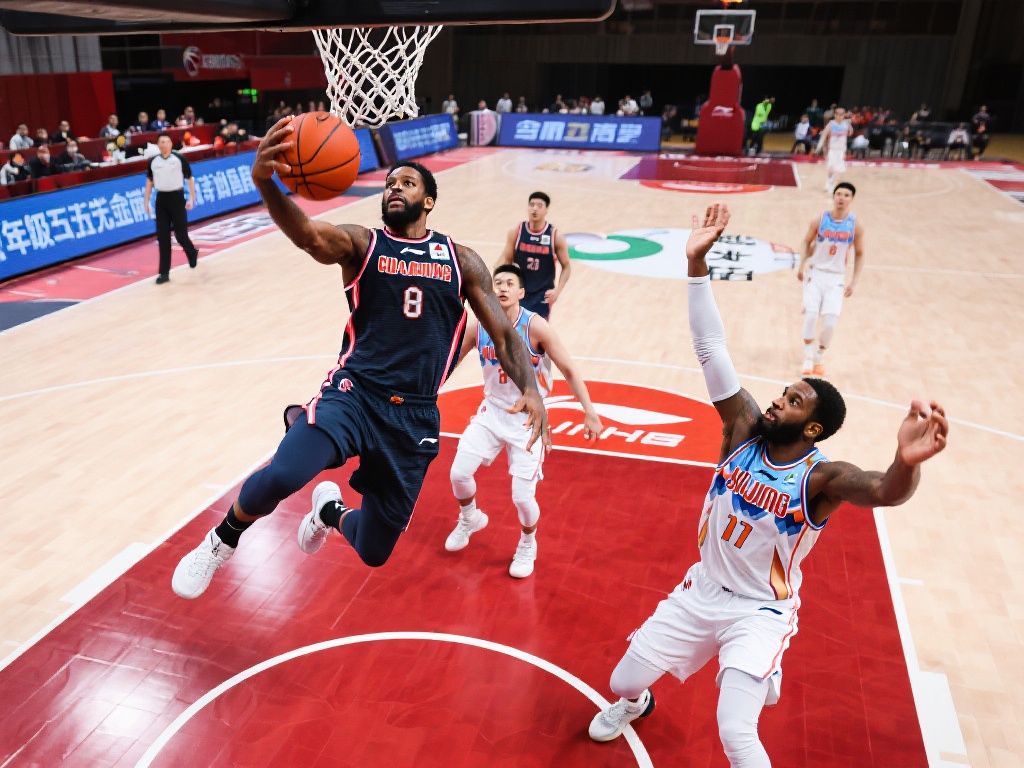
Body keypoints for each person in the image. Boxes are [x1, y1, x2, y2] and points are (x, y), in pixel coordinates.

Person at [588, 203, 948, 767]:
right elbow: (711, 347)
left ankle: (759, 665)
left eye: (794, 401)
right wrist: (696, 265)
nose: (778, 401)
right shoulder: (742, 428)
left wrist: (906, 461)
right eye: (783, 392)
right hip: (701, 590)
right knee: (622, 680)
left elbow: (885, 490)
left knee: (735, 731)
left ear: (812, 428)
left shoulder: (822, 477)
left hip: (760, 610)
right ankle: (637, 704)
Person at [171, 117, 550, 600]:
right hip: (355, 394)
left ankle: (328, 511)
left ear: (428, 201)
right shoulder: (363, 245)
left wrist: (532, 389)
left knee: (373, 548)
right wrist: (265, 183)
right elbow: (309, 235)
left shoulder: (462, 260)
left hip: (413, 415)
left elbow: (505, 335)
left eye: (407, 183)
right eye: (390, 183)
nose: (395, 188)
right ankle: (221, 540)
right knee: (285, 474)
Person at [445, 263, 601, 578]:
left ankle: (528, 544)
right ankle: (470, 517)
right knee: (458, 474)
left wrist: (590, 411)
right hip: (492, 412)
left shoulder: (535, 326)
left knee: (522, 497)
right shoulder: (479, 326)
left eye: (509, 283)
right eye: (497, 283)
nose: (502, 288)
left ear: (521, 292)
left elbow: (569, 369)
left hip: (528, 420)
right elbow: (449, 363)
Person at [797, 182, 864, 376]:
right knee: (811, 316)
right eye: (839, 194)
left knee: (830, 323)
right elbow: (806, 242)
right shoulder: (820, 219)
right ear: (834, 197)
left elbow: (860, 253)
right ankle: (808, 356)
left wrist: (854, 281)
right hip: (816, 273)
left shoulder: (855, 225)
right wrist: (802, 264)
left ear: (852, 199)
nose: (841, 197)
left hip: (836, 278)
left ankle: (820, 355)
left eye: (846, 195)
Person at [495, 192, 571, 321]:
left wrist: (557, 291)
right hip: (518, 292)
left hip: (542, 295)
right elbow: (505, 259)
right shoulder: (517, 231)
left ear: (546, 209)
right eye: (532, 205)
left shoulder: (555, 236)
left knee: (537, 331)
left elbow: (567, 267)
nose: (534, 209)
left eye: (539, 205)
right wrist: (496, 279)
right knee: (513, 329)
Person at [143, 133, 199, 285]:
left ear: (171, 144)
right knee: (163, 237)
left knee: (181, 235)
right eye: (162, 142)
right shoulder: (153, 161)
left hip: (177, 198)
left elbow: (190, 178)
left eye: (167, 141)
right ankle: (164, 273)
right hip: (161, 200)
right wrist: (146, 201)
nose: (165, 144)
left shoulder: (179, 159)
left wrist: (192, 197)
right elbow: (149, 181)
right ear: (158, 145)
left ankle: (191, 252)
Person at [821, 106, 851, 193]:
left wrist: (849, 125)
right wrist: (824, 148)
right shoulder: (831, 124)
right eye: (837, 114)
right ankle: (828, 184)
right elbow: (824, 135)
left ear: (844, 115)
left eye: (841, 114)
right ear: (834, 114)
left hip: (841, 150)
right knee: (831, 168)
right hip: (832, 149)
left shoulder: (846, 124)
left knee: (839, 170)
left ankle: (834, 186)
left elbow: (850, 133)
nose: (839, 115)